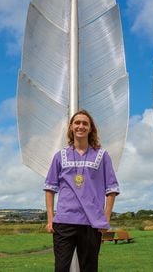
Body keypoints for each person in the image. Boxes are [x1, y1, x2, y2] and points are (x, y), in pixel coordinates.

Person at [44, 109, 120, 272]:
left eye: (85, 123)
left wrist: (105, 218)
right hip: (64, 222)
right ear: (71, 127)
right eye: (77, 123)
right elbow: (50, 188)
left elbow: (112, 189)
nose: (81, 126)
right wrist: (51, 218)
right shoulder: (60, 156)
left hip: (91, 223)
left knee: (89, 269)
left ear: (91, 128)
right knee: (61, 269)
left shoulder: (102, 155)